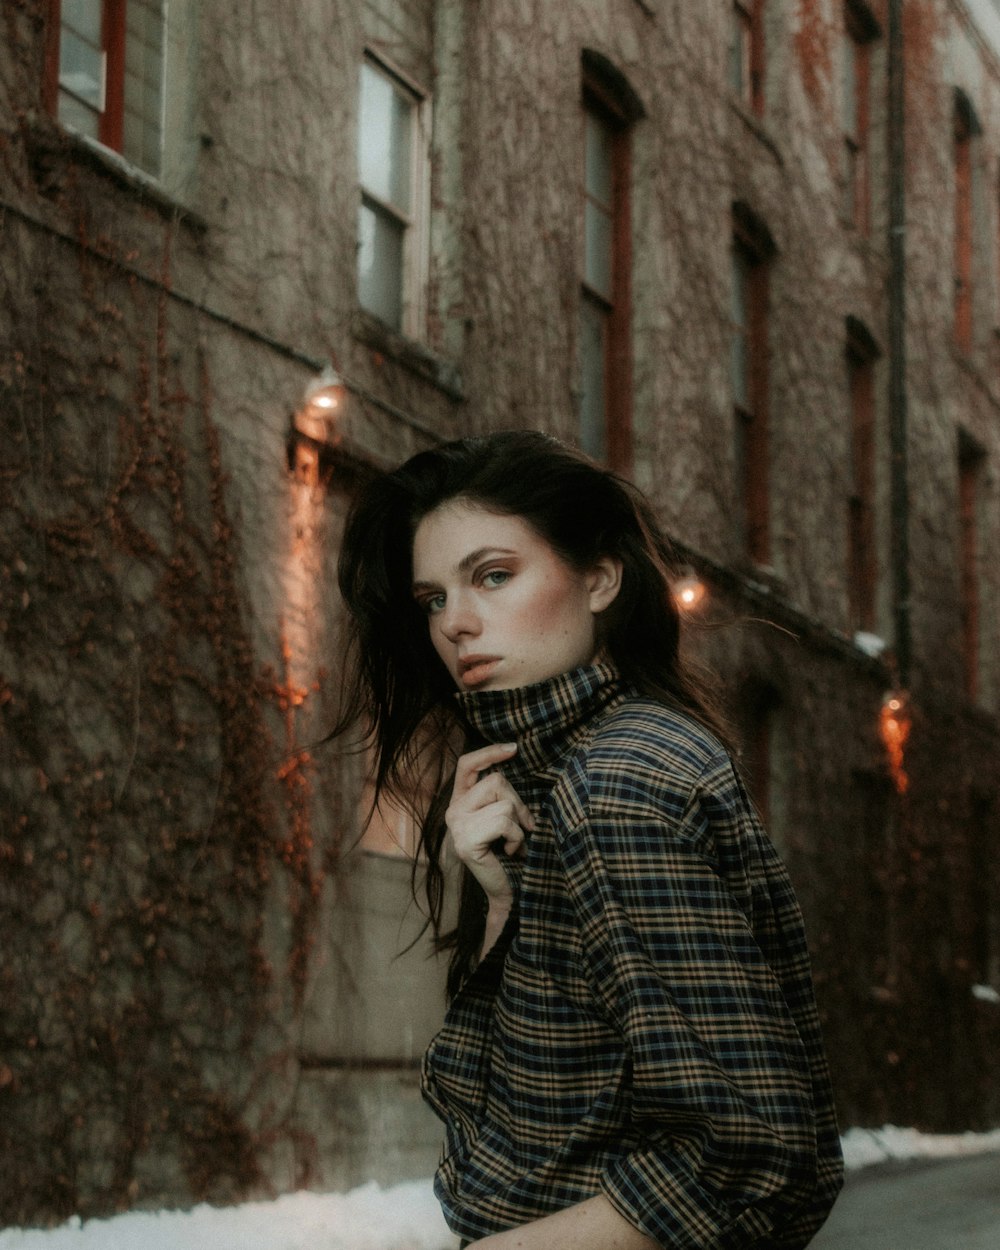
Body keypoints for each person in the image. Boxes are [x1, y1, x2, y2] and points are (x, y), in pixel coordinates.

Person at [335, 431, 843, 1249]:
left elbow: (751, 1150)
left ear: (600, 578)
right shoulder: (571, 771)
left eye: (493, 576)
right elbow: (557, 1097)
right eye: (433, 599)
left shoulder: (616, 782)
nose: (456, 624)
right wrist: (502, 903)